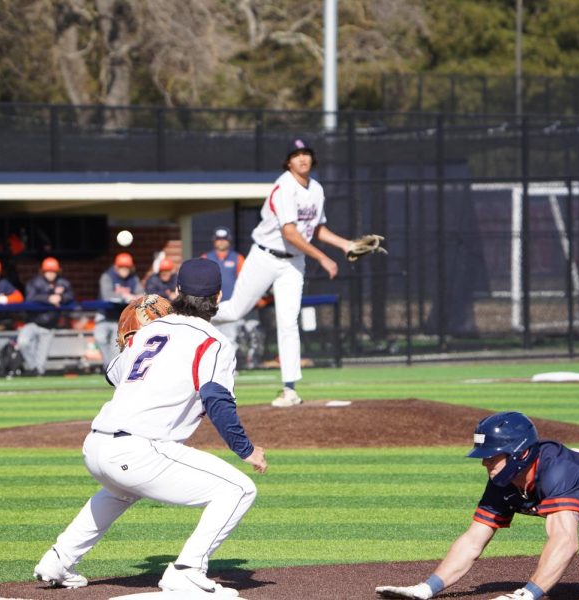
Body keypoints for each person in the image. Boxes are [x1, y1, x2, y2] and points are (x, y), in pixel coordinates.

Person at [33, 258, 267, 596]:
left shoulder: (151, 330)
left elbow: (112, 375)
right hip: (140, 450)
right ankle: (187, 570)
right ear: (218, 297)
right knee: (239, 489)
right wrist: (245, 449)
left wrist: (135, 343)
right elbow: (216, 399)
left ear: (176, 292)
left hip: (96, 445)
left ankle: (57, 560)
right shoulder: (214, 343)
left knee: (120, 490)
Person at [376, 411, 579, 600]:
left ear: (520, 454)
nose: (484, 462)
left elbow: (565, 540)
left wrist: (527, 594)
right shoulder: (504, 480)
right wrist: (426, 588)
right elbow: (473, 540)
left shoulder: (559, 471)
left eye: (492, 456)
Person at [213, 138, 352, 407]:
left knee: (288, 322)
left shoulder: (317, 189)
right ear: (288, 161)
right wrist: (324, 257)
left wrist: (344, 244)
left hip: (293, 263)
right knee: (234, 311)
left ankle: (290, 388)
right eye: (297, 154)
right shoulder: (284, 187)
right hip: (265, 256)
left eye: (307, 153)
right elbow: (290, 231)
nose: (303, 158)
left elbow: (316, 229)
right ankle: (189, 314)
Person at [18, 257, 75, 375]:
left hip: (49, 325)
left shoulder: (63, 283)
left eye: (53, 271)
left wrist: (61, 298)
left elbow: (71, 297)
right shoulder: (34, 283)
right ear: (43, 271)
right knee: (23, 342)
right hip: (33, 322)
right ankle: (32, 367)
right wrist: (48, 298)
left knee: (41, 363)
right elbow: (30, 298)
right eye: (48, 271)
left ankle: (36, 372)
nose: (51, 274)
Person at [94, 252, 144, 367]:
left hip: (120, 318)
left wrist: (134, 297)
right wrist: (125, 297)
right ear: (116, 267)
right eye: (121, 267)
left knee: (115, 347)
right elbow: (107, 295)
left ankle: (110, 368)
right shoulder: (107, 276)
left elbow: (140, 294)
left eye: (127, 267)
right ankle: (108, 365)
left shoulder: (133, 278)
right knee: (99, 338)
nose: (124, 270)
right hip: (104, 315)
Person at [203, 227, 247, 348]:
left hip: (230, 305)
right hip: (210, 306)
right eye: (218, 239)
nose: (221, 242)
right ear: (214, 241)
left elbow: (244, 282)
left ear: (229, 240)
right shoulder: (206, 257)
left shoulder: (238, 258)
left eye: (224, 239)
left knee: (230, 340)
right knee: (210, 339)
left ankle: (231, 366)